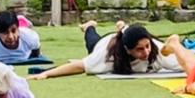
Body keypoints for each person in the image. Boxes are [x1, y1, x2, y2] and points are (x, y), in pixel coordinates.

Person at [32, 21, 183, 79]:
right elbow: (79, 66)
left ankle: (122, 26)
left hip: (124, 36)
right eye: (139, 49)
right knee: (92, 40)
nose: (146, 52)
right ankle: (89, 26)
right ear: (127, 49)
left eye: (147, 46)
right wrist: (46, 74)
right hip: (104, 42)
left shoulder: (156, 50)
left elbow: (187, 64)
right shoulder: (107, 55)